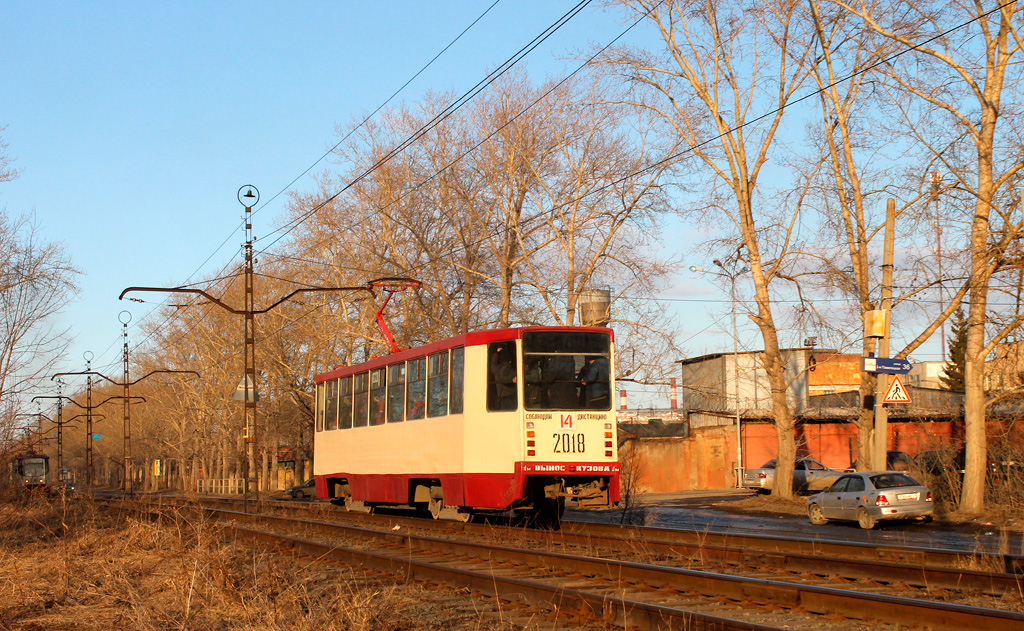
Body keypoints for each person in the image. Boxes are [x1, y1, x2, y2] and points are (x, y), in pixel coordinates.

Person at [490, 342, 517, 410]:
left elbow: (493, 363)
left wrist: (496, 353)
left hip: (501, 397)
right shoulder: (512, 371)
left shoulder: (495, 370)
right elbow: (505, 379)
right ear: (510, 361)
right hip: (511, 397)